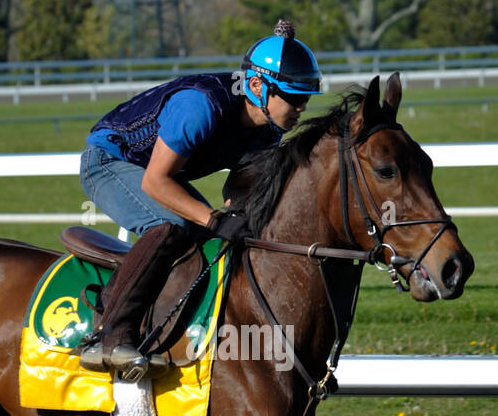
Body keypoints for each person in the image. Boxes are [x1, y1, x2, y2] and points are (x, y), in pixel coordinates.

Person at [77, 19, 323, 380]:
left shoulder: (267, 131)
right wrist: (213, 219)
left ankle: (162, 333)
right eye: (294, 97)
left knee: (210, 240)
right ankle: (109, 337)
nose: (301, 108)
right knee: (170, 226)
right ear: (257, 85)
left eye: (306, 98)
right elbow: (156, 182)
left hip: (158, 171)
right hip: (110, 162)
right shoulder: (201, 106)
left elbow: (238, 195)